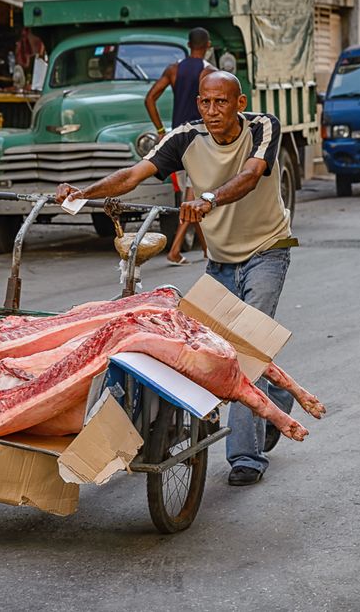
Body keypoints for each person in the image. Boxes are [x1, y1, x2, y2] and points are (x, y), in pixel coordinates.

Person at [56, 71, 297, 487]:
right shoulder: (186, 137)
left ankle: (245, 456)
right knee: (214, 348)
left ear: (239, 104)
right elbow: (134, 174)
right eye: (204, 102)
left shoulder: (263, 127)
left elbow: (253, 173)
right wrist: (83, 194)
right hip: (219, 259)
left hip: (267, 251)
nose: (211, 111)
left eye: (221, 102)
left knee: (244, 349)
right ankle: (277, 397)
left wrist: (209, 198)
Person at [145, 27, 216, 265]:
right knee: (192, 194)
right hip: (199, 139)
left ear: (188, 44)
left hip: (177, 138)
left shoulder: (173, 69)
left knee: (191, 190)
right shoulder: (209, 73)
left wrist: (161, 131)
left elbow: (150, 98)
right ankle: (175, 251)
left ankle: (207, 250)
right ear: (207, 45)